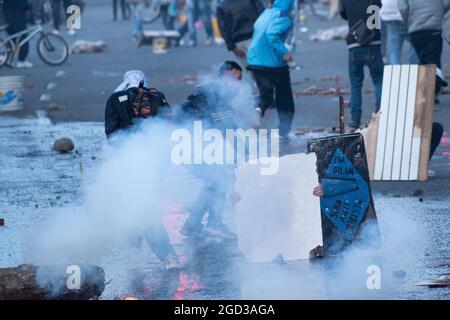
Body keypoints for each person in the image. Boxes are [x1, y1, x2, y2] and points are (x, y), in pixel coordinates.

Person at [104, 70, 181, 270]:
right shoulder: (157, 96)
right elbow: (169, 129)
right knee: (143, 206)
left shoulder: (114, 99)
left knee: (143, 208)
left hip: (130, 165)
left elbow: (112, 136)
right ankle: (154, 249)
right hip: (155, 164)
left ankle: (161, 253)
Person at [176, 61, 243, 240]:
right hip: (187, 147)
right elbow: (227, 131)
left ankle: (192, 225)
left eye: (239, 79)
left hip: (186, 145)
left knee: (213, 181)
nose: (237, 83)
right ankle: (214, 224)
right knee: (218, 179)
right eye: (233, 78)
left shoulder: (215, 94)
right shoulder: (216, 96)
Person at [247, 0, 296, 138]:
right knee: (284, 97)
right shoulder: (284, 17)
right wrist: (284, 52)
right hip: (274, 63)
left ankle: (258, 110)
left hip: (255, 61)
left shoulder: (266, 13)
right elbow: (272, 34)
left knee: (266, 94)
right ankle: (284, 131)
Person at [340, 0, 384, 131]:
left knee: (355, 84)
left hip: (355, 43)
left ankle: (354, 120)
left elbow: (344, 14)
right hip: (374, 42)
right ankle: (380, 114)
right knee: (378, 80)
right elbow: (378, 12)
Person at [398, 0, 449, 69]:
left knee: (422, 60)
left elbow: (402, 8)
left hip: (415, 27)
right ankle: (432, 78)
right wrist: (438, 12)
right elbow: (446, 3)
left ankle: (426, 77)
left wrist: (407, 21)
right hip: (434, 27)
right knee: (433, 61)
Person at [216, 0, 265, 69]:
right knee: (265, 67)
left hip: (239, 43)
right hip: (257, 36)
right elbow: (263, 14)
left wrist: (232, 47)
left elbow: (223, 28)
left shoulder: (221, 6)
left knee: (250, 71)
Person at [381, 0, 419, 65]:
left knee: (395, 50)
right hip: (402, 14)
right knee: (415, 44)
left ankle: (395, 72)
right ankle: (412, 68)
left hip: (387, 14)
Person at [2, 0, 33, 68]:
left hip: (9, 11)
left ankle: (4, 56)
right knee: (22, 35)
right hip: (16, 11)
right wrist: (27, 7)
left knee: (13, 36)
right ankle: (21, 60)